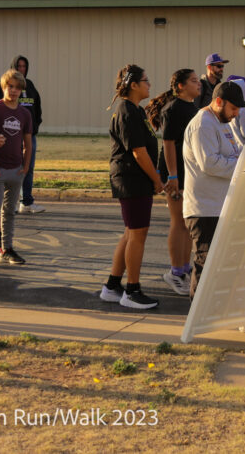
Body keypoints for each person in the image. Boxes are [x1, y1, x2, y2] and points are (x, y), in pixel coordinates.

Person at [100, 64, 163, 310]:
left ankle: (112, 286)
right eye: (145, 80)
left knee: (130, 233)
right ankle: (132, 291)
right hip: (131, 179)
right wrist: (157, 179)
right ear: (134, 85)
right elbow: (138, 152)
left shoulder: (134, 110)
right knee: (138, 235)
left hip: (134, 179)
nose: (149, 84)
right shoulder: (127, 111)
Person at [183, 82, 245, 298]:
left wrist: (239, 161)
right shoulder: (203, 124)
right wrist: (240, 165)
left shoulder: (223, 123)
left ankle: (213, 311)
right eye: (233, 108)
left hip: (220, 205)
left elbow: (239, 152)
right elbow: (209, 163)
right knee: (206, 262)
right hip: (204, 208)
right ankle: (197, 313)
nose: (236, 114)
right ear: (219, 102)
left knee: (221, 263)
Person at [146, 68, 201, 296]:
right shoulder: (174, 108)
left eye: (198, 80)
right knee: (178, 221)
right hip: (175, 173)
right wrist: (172, 176)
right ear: (179, 86)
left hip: (190, 172)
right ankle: (175, 273)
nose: (198, 84)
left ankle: (185, 269)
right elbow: (168, 143)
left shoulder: (193, 108)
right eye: (193, 80)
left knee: (189, 223)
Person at [0, 69, 33, 265]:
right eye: (10, 86)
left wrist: (26, 166)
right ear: (3, 87)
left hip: (16, 169)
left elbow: (28, 143)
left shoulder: (25, 114)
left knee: (9, 212)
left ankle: (6, 249)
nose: (13, 91)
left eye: (17, 88)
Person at [0, 55, 44, 213]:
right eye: (19, 66)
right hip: (8, 134)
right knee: (7, 167)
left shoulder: (30, 86)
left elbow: (37, 108)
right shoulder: (2, 86)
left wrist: (35, 126)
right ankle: (7, 202)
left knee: (27, 167)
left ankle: (26, 201)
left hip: (28, 134)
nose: (21, 69)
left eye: (24, 67)